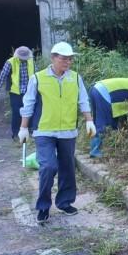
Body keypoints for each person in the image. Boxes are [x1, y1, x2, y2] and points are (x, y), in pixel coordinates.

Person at [18, 42, 96, 224]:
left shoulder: (75, 78)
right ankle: (43, 207)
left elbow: (83, 100)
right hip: (44, 131)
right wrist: (23, 127)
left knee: (67, 168)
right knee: (48, 167)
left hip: (68, 131)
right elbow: (28, 104)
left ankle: (65, 202)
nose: (67, 62)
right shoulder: (38, 78)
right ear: (53, 58)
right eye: (63, 58)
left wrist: (89, 120)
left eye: (70, 59)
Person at [0, 46, 35, 140]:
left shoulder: (31, 61)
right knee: (16, 113)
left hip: (29, 91)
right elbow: (3, 74)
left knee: (30, 111)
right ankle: (16, 134)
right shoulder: (10, 62)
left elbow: (37, 74)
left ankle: (30, 131)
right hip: (15, 92)